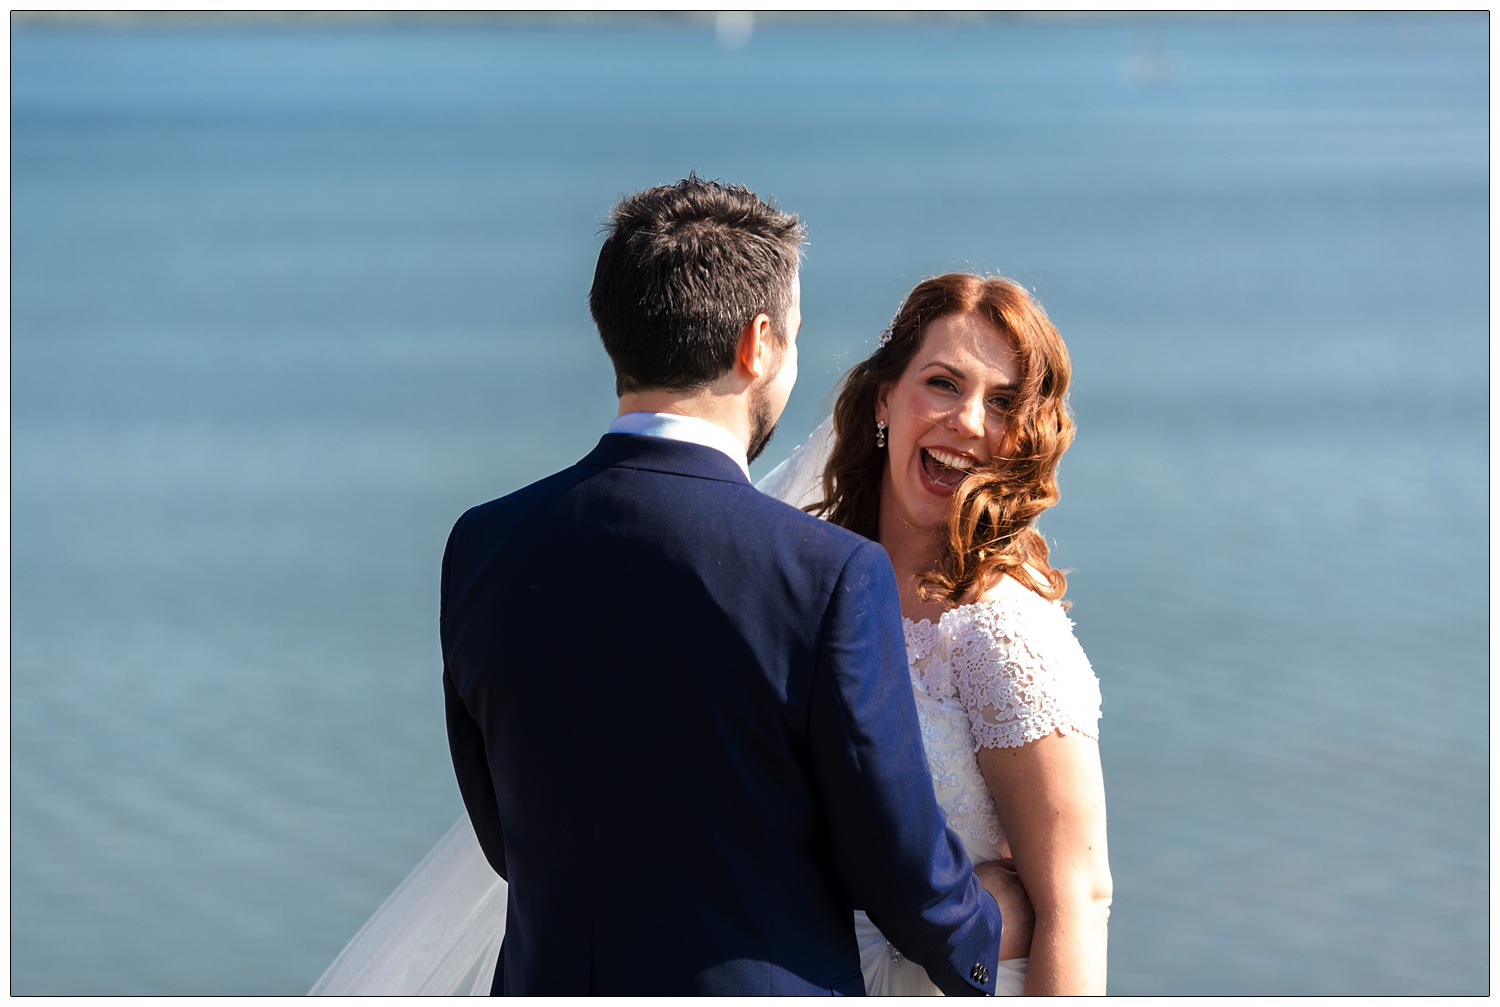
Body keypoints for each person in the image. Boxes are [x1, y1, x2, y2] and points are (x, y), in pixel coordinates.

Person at [316, 177, 1026, 996]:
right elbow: (895, 866)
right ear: (757, 344)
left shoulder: (483, 544)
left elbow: (507, 839)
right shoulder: (827, 574)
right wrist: (991, 921)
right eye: (793, 339)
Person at [765, 272, 1110, 995]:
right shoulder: (799, 573)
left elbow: (1077, 900)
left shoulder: (1003, 631)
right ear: (886, 397)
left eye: (1003, 402)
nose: (969, 421)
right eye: (945, 383)